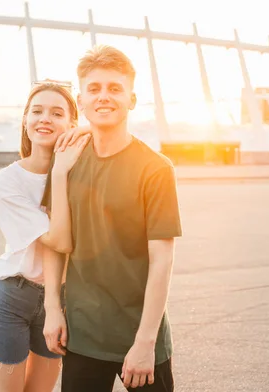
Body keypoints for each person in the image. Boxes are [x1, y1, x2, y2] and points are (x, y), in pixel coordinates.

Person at [42, 45, 183, 392]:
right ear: (81, 100)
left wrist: (146, 342)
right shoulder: (65, 161)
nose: (104, 97)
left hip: (140, 335)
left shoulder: (156, 169)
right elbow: (54, 243)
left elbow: (162, 260)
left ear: (131, 99)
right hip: (82, 335)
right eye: (94, 89)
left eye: (114, 88)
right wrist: (52, 310)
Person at [0, 82, 90, 392]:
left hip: (62, 297)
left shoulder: (82, 174)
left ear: (71, 124)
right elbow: (58, 241)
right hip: (12, 296)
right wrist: (59, 174)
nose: (45, 119)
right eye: (37, 111)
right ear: (25, 121)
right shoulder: (8, 181)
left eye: (57, 113)